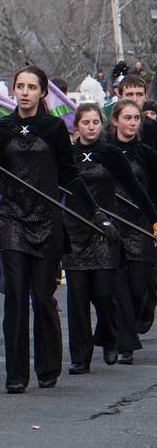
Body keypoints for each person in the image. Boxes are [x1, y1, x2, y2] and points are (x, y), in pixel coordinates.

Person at [0, 65, 83, 393]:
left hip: (47, 220)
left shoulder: (54, 128)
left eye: (32, 87)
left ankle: (48, 367)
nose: (25, 92)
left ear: (43, 92)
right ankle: (16, 374)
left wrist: (97, 214)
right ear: (13, 91)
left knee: (42, 298)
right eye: (20, 86)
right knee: (15, 296)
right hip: (12, 218)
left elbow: (69, 175)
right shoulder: (2, 128)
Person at [62, 104, 148, 374]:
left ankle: (110, 335)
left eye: (95, 122)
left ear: (102, 124)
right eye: (85, 122)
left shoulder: (110, 153)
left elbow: (134, 188)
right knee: (76, 298)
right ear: (77, 126)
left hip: (105, 231)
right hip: (75, 231)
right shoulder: (67, 155)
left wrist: (154, 218)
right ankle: (80, 357)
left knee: (104, 292)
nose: (90, 127)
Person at [107, 100, 157, 347]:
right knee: (117, 289)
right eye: (127, 118)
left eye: (136, 118)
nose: (132, 123)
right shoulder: (104, 150)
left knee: (138, 287)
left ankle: (137, 320)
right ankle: (123, 341)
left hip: (140, 225)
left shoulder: (145, 153)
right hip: (110, 226)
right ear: (116, 120)